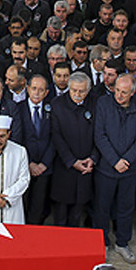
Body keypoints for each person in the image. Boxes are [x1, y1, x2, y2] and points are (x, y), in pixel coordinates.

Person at [93, 73, 136, 264]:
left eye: (124, 92)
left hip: (130, 168)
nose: (119, 95)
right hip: (106, 168)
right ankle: (101, 242)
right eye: (117, 90)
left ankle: (122, 243)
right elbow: (99, 135)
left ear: (133, 92)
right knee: (102, 207)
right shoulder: (103, 103)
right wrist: (114, 160)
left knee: (126, 208)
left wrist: (126, 159)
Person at [49, 72, 96, 227]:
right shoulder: (57, 104)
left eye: (81, 91)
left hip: (86, 168)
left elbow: (100, 134)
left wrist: (93, 158)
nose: (77, 94)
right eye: (74, 90)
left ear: (88, 90)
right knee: (61, 215)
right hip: (65, 167)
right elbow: (56, 136)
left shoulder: (95, 104)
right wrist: (71, 161)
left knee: (77, 214)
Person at [19, 74, 55, 225]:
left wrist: (44, 163)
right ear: (27, 89)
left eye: (41, 90)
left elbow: (56, 138)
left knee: (39, 205)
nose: (37, 93)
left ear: (46, 92)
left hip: (44, 167)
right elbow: (17, 138)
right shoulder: (18, 108)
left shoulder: (52, 109)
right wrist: (29, 163)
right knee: (23, 202)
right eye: (34, 88)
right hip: (24, 165)